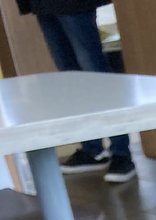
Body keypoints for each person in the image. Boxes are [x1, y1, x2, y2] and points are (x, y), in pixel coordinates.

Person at [16, 0, 136, 183]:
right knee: (69, 77)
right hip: (41, 4)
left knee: (95, 72)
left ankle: (122, 152)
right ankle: (92, 148)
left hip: (73, 3)